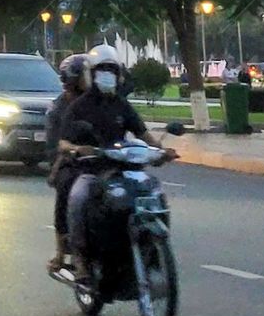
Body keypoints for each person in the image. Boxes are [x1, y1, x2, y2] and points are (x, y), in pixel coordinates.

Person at [60, 44, 177, 282]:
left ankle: (152, 250)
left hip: (123, 169)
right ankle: (81, 260)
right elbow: (63, 142)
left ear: (118, 73)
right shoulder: (80, 106)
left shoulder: (121, 105)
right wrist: (77, 149)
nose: (107, 74)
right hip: (91, 169)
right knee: (79, 197)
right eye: (101, 69)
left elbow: (143, 134)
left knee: (153, 193)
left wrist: (162, 151)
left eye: (111, 69)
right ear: (91, 73)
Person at [45, 53, 88, 273]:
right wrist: (70, 152)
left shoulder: (99, 101)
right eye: (84, 76)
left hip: (101, 160)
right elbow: (55, 145)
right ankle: (63, 252)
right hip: (70, 162)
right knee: (67, 188)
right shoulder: (60, 108)